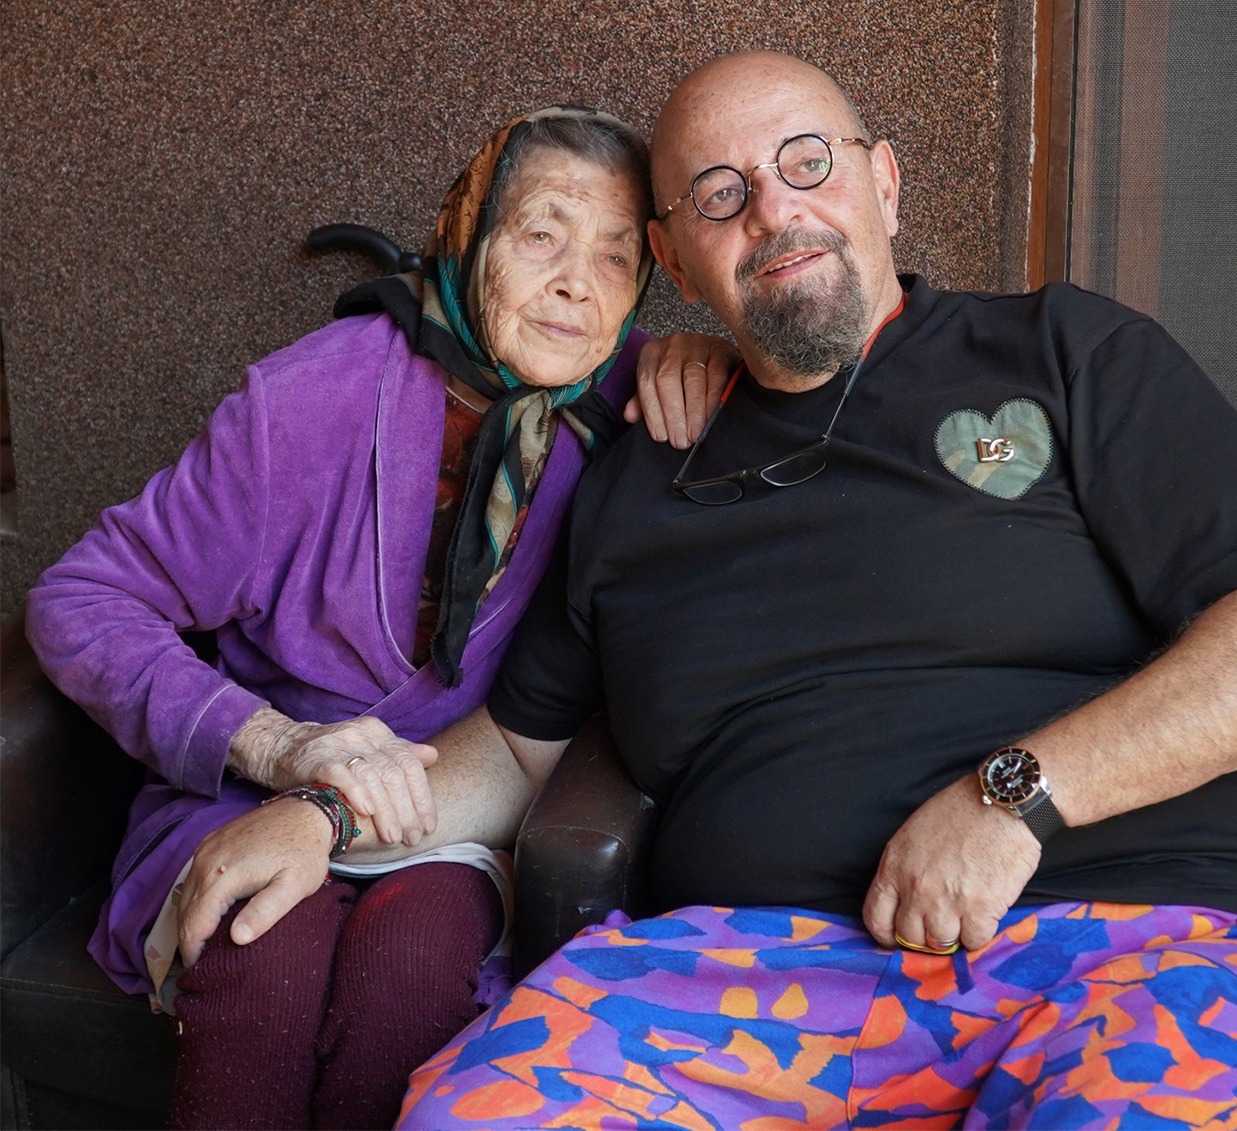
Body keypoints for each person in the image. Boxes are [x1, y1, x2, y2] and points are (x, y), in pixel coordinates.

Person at [176, 53, 1237, 1129]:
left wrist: (1012, 799)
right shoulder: (638, 471)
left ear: (883, 182)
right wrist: (323, 813)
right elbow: (513, 746)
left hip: (1130, 942)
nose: (774, 209)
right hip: (741, 979)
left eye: (807, 161)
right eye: (719, 193)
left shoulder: (1063, 355)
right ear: (673, 259)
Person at [25, 104, 730, 1130]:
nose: (577, 283)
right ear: (470, 235)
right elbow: (81, 599)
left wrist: (704, 361)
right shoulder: (308, 401)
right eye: (542, 234)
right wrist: (275, 742)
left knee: (412, 965)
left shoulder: (634, 408)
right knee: (262, 948)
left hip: (460, 814)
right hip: (248, 789)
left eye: (615, 257)